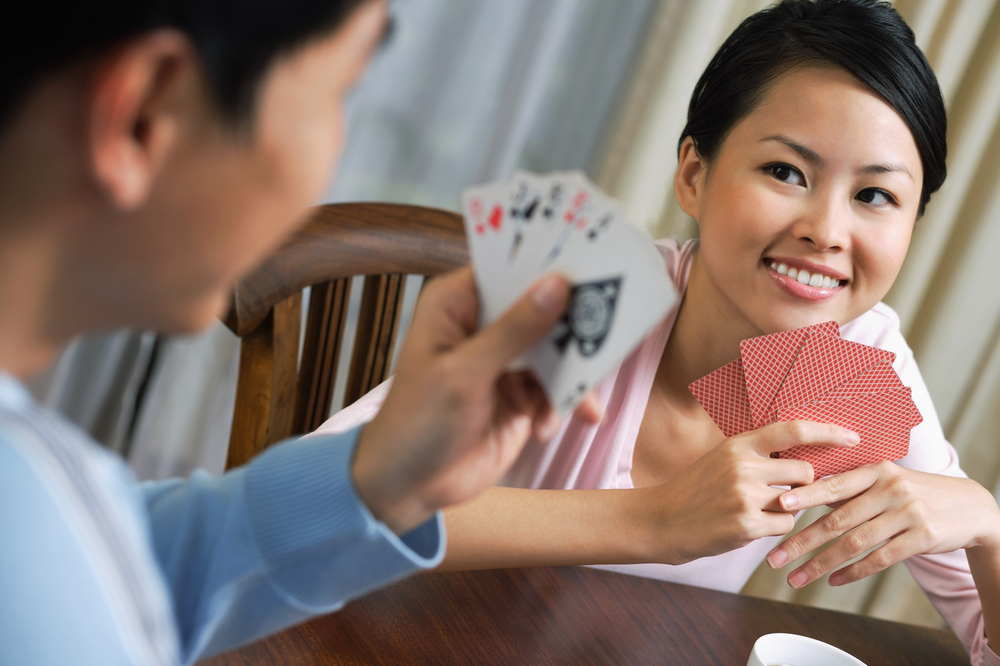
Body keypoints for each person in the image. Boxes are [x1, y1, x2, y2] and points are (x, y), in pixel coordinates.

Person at [315, 1, 1000, 664]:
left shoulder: (859, 365)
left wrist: (988, 529)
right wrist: (657, 521)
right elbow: (323, 507)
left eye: (874, 196)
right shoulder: (590, 289)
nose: (826, 230)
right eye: (786, 172)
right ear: (694, 175)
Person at [0, 1, 607, 664]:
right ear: (145, 114)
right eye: (340, 91)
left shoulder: (44, 520)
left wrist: (377, 480)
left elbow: (113, 564)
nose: (341, 144)